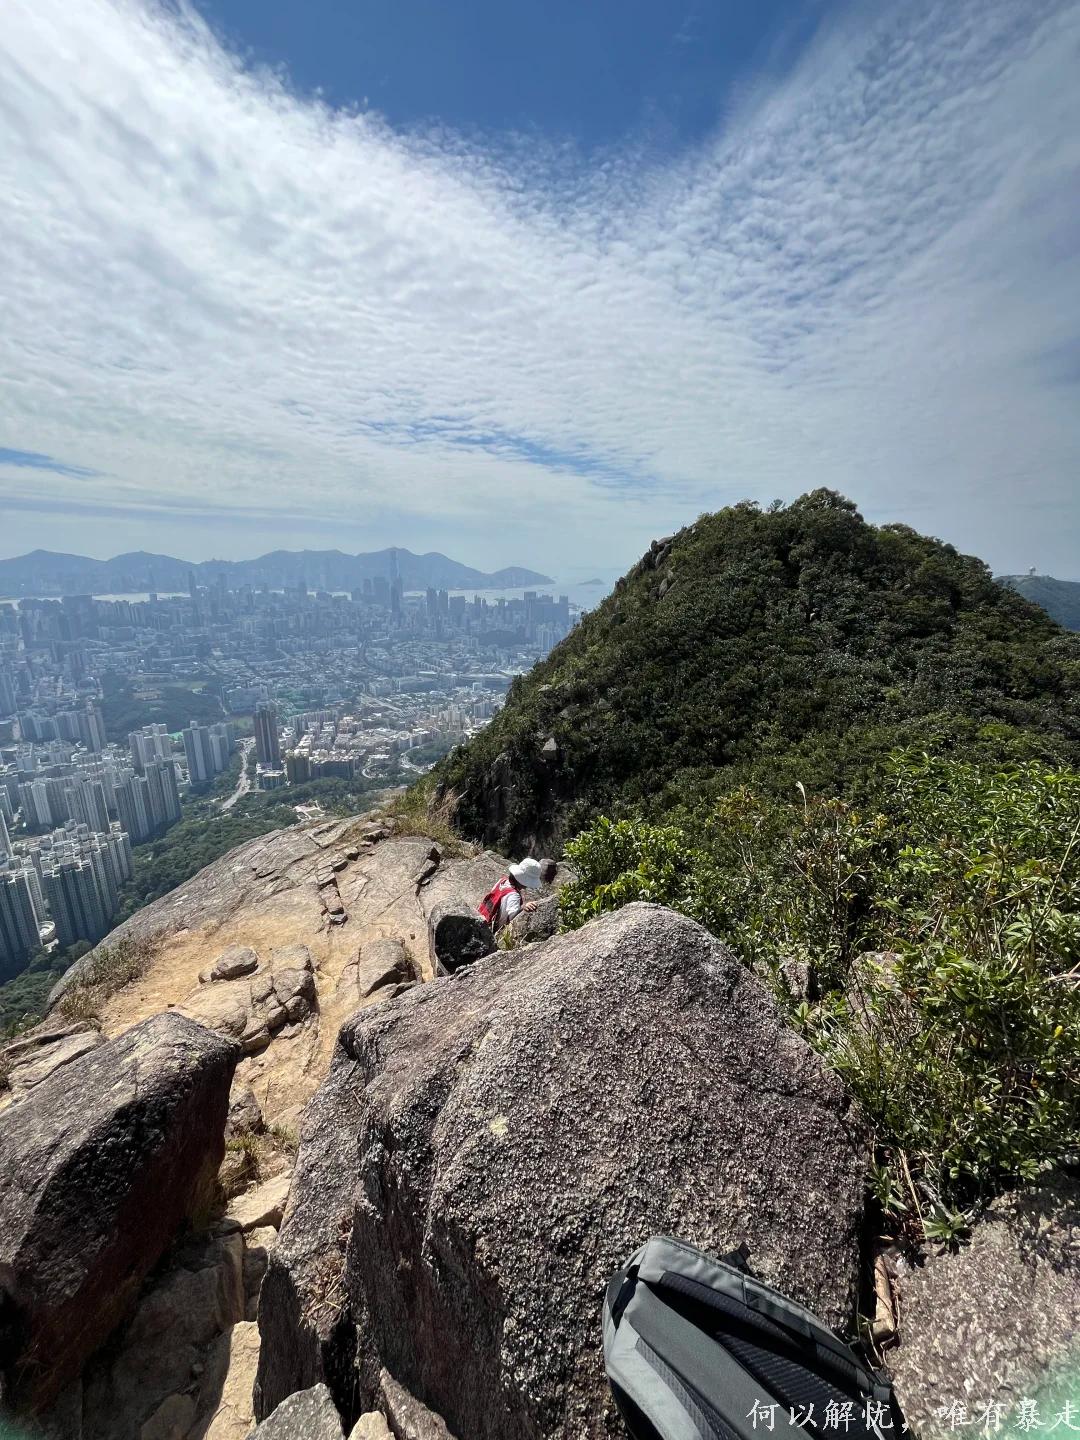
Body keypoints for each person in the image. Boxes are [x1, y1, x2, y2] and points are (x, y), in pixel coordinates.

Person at [478, 857, 557, 933]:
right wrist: (523, 907)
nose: (527, 886)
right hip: (491, 930)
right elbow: (512, 916)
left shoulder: (503, 881)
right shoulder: (514, 895)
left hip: (482, 917)